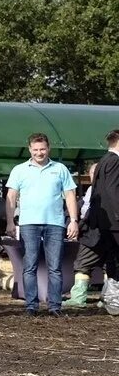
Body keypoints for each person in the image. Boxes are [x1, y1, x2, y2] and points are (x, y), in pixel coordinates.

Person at [5, 133, 79, 317]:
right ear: (30, 149)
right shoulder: (19, 170)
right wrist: (9, 222)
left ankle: (55, 306)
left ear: (49, 148)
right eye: (36, 149)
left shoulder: (60, 169)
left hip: (55, 223)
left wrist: (74, 220)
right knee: (29, 264)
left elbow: (70, 195)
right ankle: (31, 305)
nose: (39, 153)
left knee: (55, 266)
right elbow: (11, 197)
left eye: (43, 149)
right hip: (29, 223)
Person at [73, 132, 119, 314]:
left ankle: (111, 298)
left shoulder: (104, 161)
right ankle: (113, 300)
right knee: (116, 260)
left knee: (113, 260)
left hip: (105, 221)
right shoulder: (115, 161)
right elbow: (113, 191)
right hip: (114, 220)